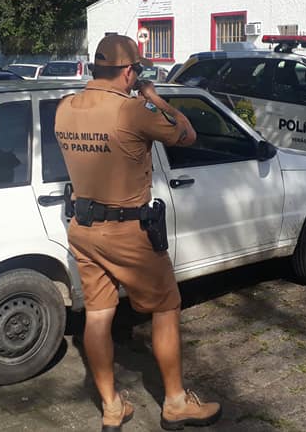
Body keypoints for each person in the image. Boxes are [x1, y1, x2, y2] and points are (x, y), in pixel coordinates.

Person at [55, 35, 221, 431]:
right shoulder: (132, 111)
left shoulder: (65, 108)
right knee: (165, 308)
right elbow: (187, 134)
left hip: (82, 227)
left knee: (97, 315)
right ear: (129, 72)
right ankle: (176, 403)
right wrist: (156, 97)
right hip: (128, 231)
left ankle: (112, 407)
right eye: (137, 72)